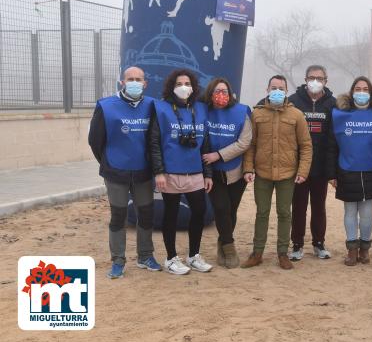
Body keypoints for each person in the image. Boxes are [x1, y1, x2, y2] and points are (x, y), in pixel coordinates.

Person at [89, 66, 162, 279]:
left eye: (138, 79)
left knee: (146, 214)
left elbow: (155, 139)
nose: (134, 82)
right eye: (130, 79)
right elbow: (95, 140)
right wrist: (109, 163)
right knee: (118, 216)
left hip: (143, 172)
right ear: (122, 82)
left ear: (145, 83)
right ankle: (118, 260)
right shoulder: (106, 106)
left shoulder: (152, 106)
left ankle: (145, 256)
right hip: (116, 172)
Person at [240, 75, 313, 270]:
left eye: (281, 88)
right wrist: (248, 168)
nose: (277, 91)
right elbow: (250, 145)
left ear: (287, 91)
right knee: (262, 212)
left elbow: (306, 146)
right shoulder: (257, 114)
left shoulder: (296, 115)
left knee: (284, 213)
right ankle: (257, 253)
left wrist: (302, 171)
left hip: (287, 174)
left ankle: (283, 253)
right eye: (274, 87)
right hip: (262, 173)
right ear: (267, 89)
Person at [149, 68, 214, 275]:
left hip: (195, 172)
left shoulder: (201, 109)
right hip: (170, 173)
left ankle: (193, 255)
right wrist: (158, 172)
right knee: (171, 215)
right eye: (179, 84)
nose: (184, 87)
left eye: (187, 83)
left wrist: (208, 173)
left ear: (193, 87)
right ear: (171, 87)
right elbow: (154, 143)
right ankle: (170, 258)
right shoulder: (160, 108)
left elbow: (206, 145)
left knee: (199, 211)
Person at [327, 76, 372, 266]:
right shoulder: (340, 115)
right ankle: (352, 250)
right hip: (346, 171)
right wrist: (331, 174)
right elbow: (332, 146)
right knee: (349, 212)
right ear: (352, 91)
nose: (361, 92)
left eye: (365, 89)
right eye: (358, 89)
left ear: (371, 92)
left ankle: (365, 248)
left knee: (366, 214)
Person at [287, 65, 337, 261]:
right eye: (312, 77)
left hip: (321, 166)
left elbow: (335, 138)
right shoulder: (293, 101)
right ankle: (297, 245)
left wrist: (332, 170)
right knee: (298, 206)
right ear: (305, 79)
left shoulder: (332, 104)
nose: (315, 81)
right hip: (298, 166)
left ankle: (319, 244)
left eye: (320, 78)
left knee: (319, 206)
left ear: (326, 80)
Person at [202, 78, 252, 269]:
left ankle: (222, 242)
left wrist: (219, 155)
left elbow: (245, 142)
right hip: (213, 172)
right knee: (221, 208)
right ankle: (230, 249)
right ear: (210, 93)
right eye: (216, 91)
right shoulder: (203, 111)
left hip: (236, 171)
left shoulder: (241, 111)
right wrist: (212, 159)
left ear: (230, 93)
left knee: (231, 211)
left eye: (224, 90)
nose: (221, 94)